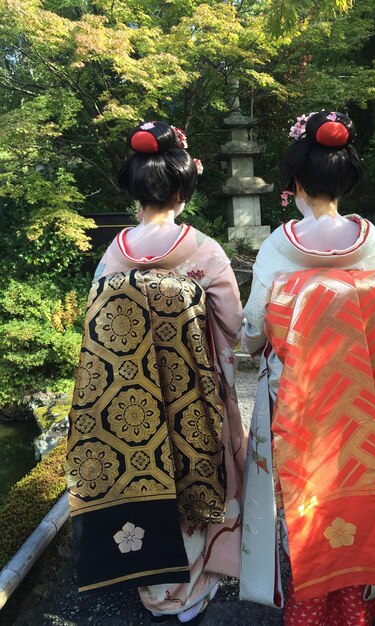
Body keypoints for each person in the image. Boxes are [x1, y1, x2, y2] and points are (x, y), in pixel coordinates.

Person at [240, 111, 375, 626]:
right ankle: (356, 612)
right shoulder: (373, 243)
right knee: (367, 500)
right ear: (345, 179)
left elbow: (254, 328)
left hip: (298, 404)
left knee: (306, 504)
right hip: (363, 399)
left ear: (296, 182)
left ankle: (308, 608)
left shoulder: (279, 247)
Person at [66, 121, 246, 625]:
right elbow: (234, 327)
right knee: (195, 474)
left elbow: (95, 328)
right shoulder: (204, 250)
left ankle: (153, 588)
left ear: (135, 192)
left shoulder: (114, 254)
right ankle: (191, 590)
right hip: (194, 393)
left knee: (143, 474)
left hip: (131, 401)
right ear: (183, 191)